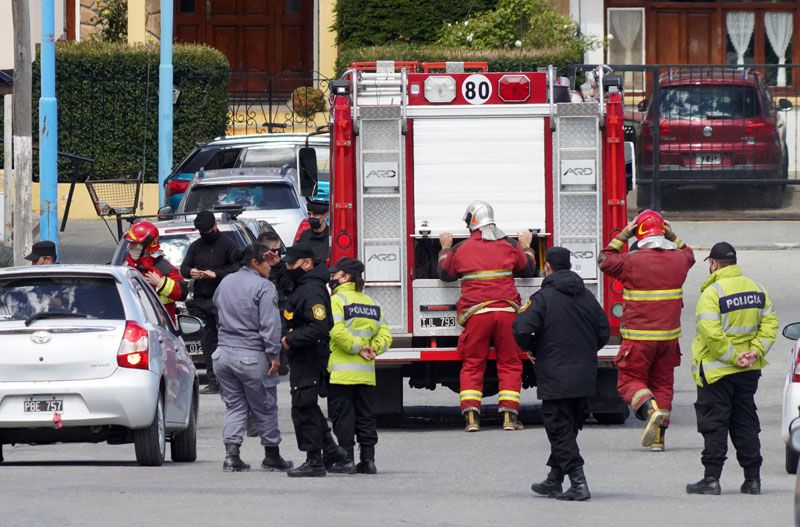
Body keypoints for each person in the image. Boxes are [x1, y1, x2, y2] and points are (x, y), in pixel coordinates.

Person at [513, 247, 610, 501]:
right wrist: (586, 352)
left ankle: (578, 482)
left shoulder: (543, 298)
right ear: (570, 266)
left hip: (555, 375)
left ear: (548, 268)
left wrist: (533, 349)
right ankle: (554, 480)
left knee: (559, 429)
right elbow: (603, 331)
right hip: (585, 375)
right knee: (569, 427)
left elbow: (521, 329)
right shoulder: (587, 296)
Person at [597, 209, 694, 451]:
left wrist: (624, 234)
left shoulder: (631, 261)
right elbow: (690, 254)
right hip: (669, 340)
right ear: (663, 232)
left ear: (638, 233)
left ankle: (651, 411)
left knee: (629, 380)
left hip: (638, 339)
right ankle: (659, 439)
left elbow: (604, 259)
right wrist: (672, 236)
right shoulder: (679, 260)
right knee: (663, 384)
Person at [686, 242, 777, 496]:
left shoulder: (712, 293)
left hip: (718, 371)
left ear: (714, 264)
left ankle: (711, 479)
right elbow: (770, 324)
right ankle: (753, 480)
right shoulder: (756, 288)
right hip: (748, 370)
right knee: (745, 422)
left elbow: (711, 332)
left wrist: (732, 357)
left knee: (714, 424)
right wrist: (755, 351)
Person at [438, 200, 537, 432]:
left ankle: (472, 417)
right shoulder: (510, 245)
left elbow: (445, 274)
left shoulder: (460, 249)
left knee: (472, 363)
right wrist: (526, 246)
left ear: (472, 222)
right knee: (511, 364)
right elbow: (528, 270)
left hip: (477, 314)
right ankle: (509, 418)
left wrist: (444, 248)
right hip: (507, 313)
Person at [212, 243, 293, 473]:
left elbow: (217, 307)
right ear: (255, 263)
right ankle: (271, 455)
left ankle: (231, 456)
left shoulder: (226, 281)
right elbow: (270, 325)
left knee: (234, 405)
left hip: (223, 354)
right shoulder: (264, 286)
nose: (270, 266)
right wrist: (274, 356)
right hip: (251, 355)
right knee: (265, 406)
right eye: (266, 262)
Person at [281, 241, 349, 477]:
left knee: (303, 407)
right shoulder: (304, 284)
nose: (289, 267)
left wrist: (291, 339)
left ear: (307, 264)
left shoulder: (311, 289)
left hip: (309, 354)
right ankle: (332, 452)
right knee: (307, 403)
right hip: (303, 355)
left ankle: (314, 460)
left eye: (293, 264)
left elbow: (320, 327)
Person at [327, 257, 393, 474]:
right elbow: (385, 333)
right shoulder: (371, 303)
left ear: (346, 277)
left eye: (335, 274)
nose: (331, 278)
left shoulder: (337, 300)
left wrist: (357, 348)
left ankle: (345, 459)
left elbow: (336, 330)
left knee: (342, 417)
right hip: (366, 373)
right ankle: (368, 460)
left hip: (342, 374)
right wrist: (374, 348)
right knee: (365, 416)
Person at [181, 211, 240, 394]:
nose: (206, 235)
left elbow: (238, 267)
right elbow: (184, 268)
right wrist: (191, 272)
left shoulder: (228, 244)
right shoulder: (196, 246)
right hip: (202, 300)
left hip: (223, 300)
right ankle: (213, 381)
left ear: (215, 226)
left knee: (228, 341)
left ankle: (230, 381)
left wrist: (216, 274)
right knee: (208, 342)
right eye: (202, 232)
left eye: (208, 230)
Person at [123, 221, 187, 322]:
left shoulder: (164, 268)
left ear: (146, 246)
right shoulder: (127, 268)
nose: (130, 247)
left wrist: (160, 283)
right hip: (137, 324)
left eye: (133, 244)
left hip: (162, 326)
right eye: (130, 243)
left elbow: (182, 293)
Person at [293, 198, 330, 265]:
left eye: (315, 215)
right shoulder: (304, 235)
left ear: (325, 216)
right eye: (309, 214)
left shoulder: (331, 236)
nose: (311, 217)